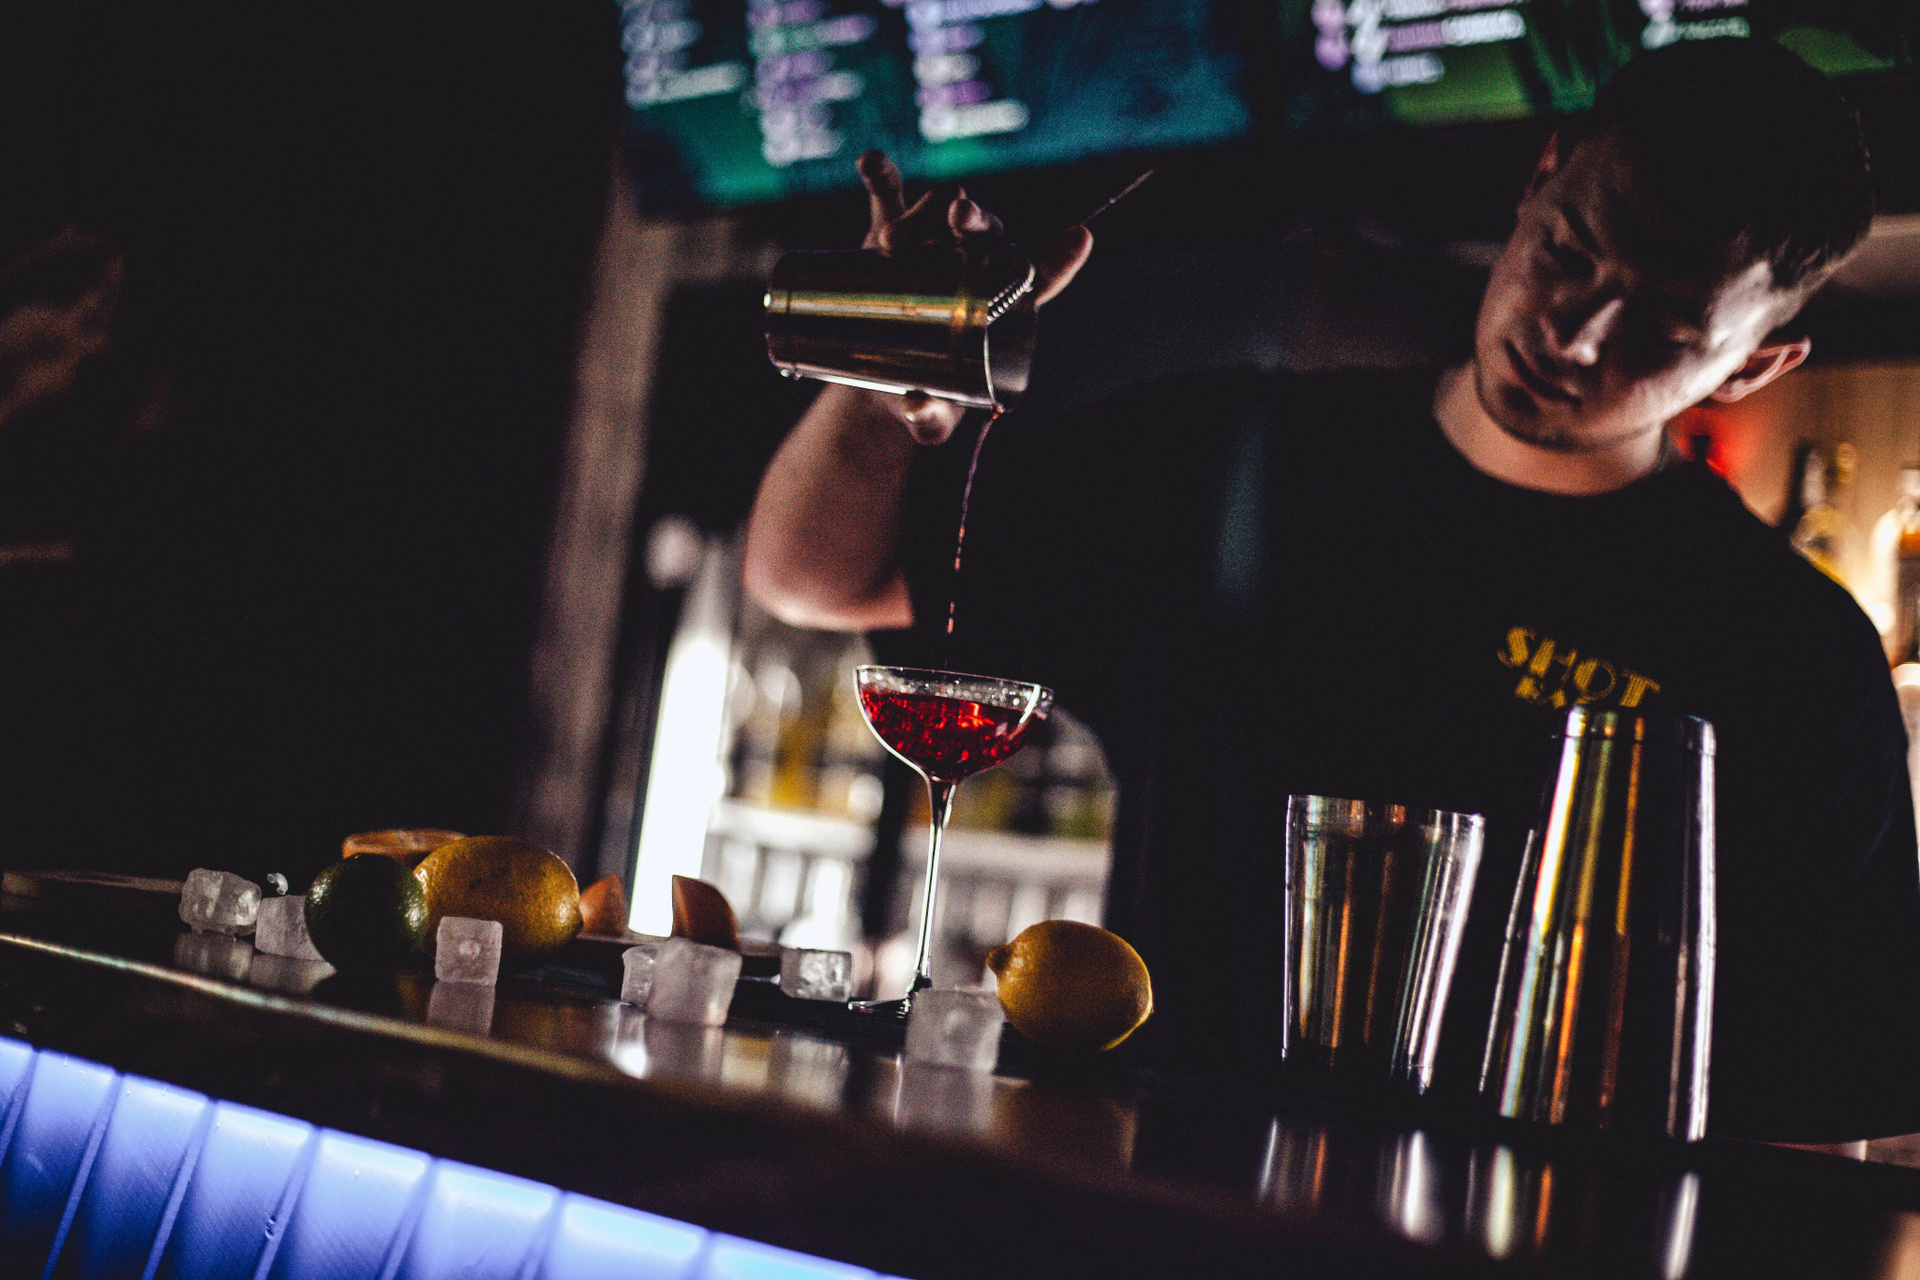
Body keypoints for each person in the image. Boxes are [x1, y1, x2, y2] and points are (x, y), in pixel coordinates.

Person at [743, 39, 1920, 1142]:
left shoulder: (1790, 653)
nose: (1574, 332)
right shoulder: (1228, 458)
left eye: (1660, 326)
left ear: (1755, 362)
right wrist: (898, 356)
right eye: (1568, 253)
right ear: (1539, 178)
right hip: (1153, 1210)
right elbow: (818, 572)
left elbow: (1835, 1097)